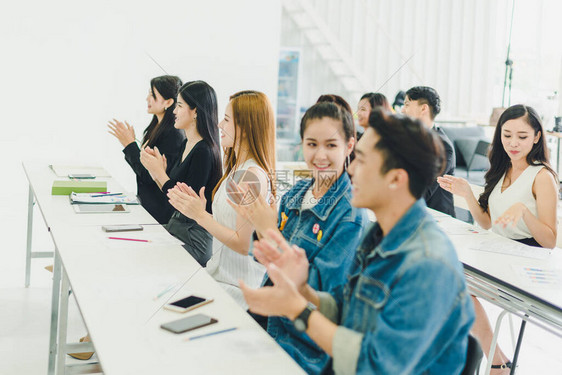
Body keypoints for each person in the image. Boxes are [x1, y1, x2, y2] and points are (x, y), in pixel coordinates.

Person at [241, 110, 475, 375]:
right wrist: (302, 291)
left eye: (361, 161)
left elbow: (373, 366)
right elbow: (346, 310)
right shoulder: (378, 237)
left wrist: (297, 309)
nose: (350, 168)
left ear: (396, 179)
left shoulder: (428, 264)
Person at [229, 102, 367, 374]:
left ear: (349, 146)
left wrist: (270, 233)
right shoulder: (296, 193)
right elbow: (266, 260)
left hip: (303, 344)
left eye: (331, 145)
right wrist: (260, 231)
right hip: (268, 320)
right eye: (312, 144)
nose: (320, 155)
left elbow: (323, 297)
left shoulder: (351, 214)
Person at [438, 104, 558, 373]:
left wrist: (525, 212)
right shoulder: (502, 170)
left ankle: (497, 361)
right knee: (447, 280)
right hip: (500, 253)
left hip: (529, 262)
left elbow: (550, 240)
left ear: (537, 137)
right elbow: (487, 222)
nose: (513, 143)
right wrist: (467, 193)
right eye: (507, 135)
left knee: (458, 289)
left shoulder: (542, 176)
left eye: (522, 136)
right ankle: (494, 360)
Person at [167, 90, 276, 308]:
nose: (218, 125)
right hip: (218, 278)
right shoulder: (238, 169)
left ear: (246, 128)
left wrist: (199, 215)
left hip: (236, 290)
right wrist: (199, 211)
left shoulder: (250, 176)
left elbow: (243, 244)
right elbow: (228, 225)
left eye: (226, 120)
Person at [140, 80, 222, 266]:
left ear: (196, 112)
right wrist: (156, 171)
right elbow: (172, 192)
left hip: (193, 238)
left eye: (179, 105)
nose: (174, 112)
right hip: (177, 228)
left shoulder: (204, 151)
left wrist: (159, 172)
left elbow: (183, 202)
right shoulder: (187, 143)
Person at [108, 75, 185, 224]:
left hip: (160, 215)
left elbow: (149, 176)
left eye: (153, 95)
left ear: (168, 102)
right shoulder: (155, 127)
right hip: (148, 207)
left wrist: (129, 144)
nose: (147, 99)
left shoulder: (172, 134)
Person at [402, 86, 456, 217]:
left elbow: (423, 190)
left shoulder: (442, 145)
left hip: (437, 220)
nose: (403, 110)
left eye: (407, 105)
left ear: (423, 108)